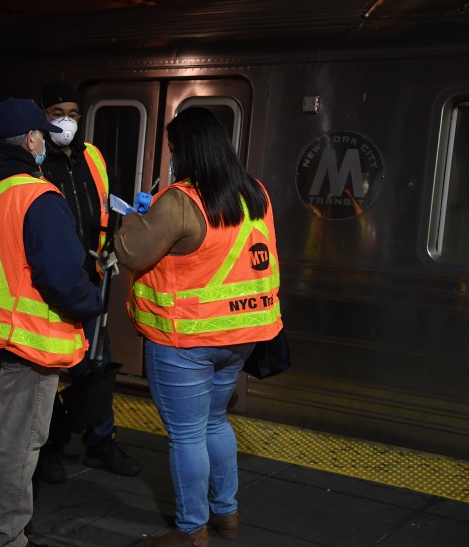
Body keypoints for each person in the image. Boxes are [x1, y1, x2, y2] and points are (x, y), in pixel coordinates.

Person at [114, 108, 282, 547]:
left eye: (172, 149)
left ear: (185, 150)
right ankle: (227, 514)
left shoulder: (179, 201)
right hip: (242, 336)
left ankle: (191, 531)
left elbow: (132, 252)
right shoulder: (254, 192)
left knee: (187, 435)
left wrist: (133, 216)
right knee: (215, 423)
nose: (171, 158)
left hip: (185, 339)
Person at [0, 97, 102, 547]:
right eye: (43, 139)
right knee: (22, 443)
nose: (46, 149)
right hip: (27, 339)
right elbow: (62, 280)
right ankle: (5, 536)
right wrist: (92, 301)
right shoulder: (37, 196)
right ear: (33, 139)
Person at [36, 80, 140, 484]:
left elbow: (108, 205)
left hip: (92, 279)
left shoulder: (92, 157)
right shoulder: (36, 159)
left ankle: (100, 441)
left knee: (95, 365)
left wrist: (114, 241)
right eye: (57, 112)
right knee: (48, 368)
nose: (67, 121)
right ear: (42, 116)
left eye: (74, 113)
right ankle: (47, 447)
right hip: (50, 282)